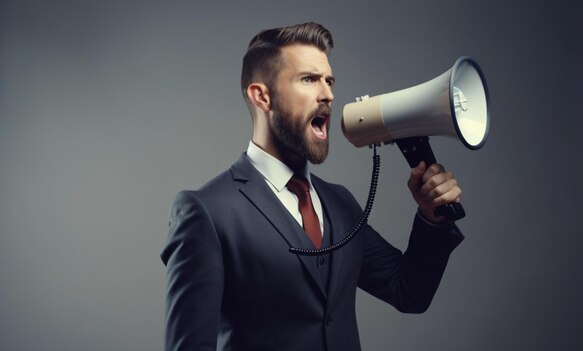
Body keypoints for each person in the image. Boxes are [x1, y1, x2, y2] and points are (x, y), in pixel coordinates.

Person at [161, 22, 464, 351]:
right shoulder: (206, 212)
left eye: (329, 81)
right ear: (262, 96)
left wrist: (431, 217)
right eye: (309, 79)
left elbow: (409, 292)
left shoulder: (340, 203)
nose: (329, 94)